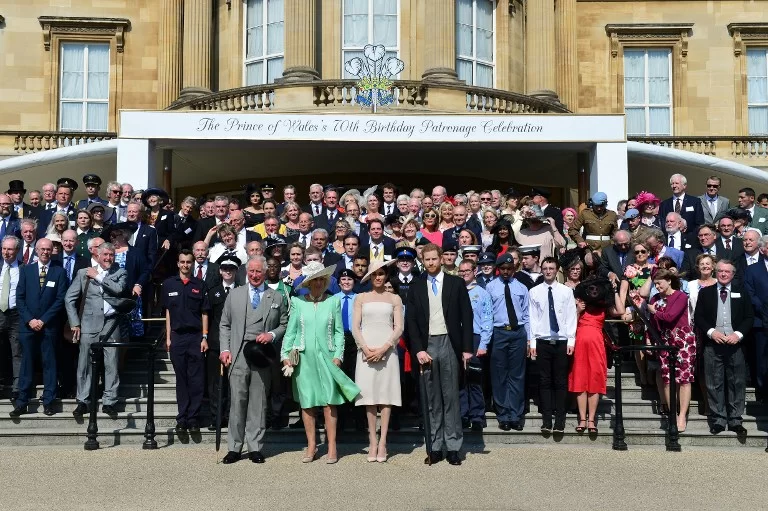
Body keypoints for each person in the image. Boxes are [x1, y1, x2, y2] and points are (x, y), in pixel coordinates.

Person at [281, 262, 360, 464]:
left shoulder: (333, 301)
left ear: (325, 282)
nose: (317, 283)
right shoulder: (298, 302)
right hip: (304, 359)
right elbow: (290, 332)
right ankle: (311, 445)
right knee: (307, 403)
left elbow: (339, 333)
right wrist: (285, 356)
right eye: (313, 280)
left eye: (320, 280)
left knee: (329, 402)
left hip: (328, 357)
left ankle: (332, 446)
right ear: (307, 283)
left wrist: (338, 356)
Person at [405, 243, 473, 466]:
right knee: (431, 398)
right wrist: (418, 350)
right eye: (427, 260)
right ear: (422, 262)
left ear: (442, 259)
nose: (431, 263)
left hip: (449, 343)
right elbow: (411, 322)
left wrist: (466, 349)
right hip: (427, 345)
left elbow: (466, 316)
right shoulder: (415, 286)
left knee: (451, 396)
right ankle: (434, 446)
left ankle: (453, 446)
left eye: (435, 259)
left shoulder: (456, 283)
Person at [219, 256, 289, 464]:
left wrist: (272, 335)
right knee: (237, 402)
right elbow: (224, 325)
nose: (255, 275)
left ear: (266, 272)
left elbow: (285, 323)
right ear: (246, 272)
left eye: (259, 272)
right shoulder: (235, 295)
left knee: (258, 403)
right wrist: (225, 349)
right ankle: (234, 447)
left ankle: (255, 447)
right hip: (239, 354)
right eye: (252, 272)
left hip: (262, 355)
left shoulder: (276, 297)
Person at [65, 242, 129, 418]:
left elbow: (118, 289)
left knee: (112, 363)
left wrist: (99, 277)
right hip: (88, 323)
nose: (108, 258)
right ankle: (83, 401)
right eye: (105, 255)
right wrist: (74, 323)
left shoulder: (120, 272)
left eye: (111, 255)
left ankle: (110, 401)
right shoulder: (83, 274)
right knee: (84, 363)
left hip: (111, 323)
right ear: (98, 255)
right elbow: (69, 299)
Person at [694, 259, 754, 435]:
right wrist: (712, 332)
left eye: (727, 271)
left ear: (733, 274)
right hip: (713, 344)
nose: (723, 274)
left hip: (736, 345)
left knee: (737, 383)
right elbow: (699, 317)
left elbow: (749, 317)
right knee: (714, 383)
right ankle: (718, 419)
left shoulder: (742, 292)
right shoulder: (706, 293)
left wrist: (739, 335)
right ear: (715, 272)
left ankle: (735, 420)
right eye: (720, 271)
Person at [352, 259, 403, 463]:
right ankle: (372, 441)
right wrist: (365, 348)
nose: (378, 277)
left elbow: (398, 327)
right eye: (374, 274)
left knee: (386, 396)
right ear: (370, 277)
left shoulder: (395, 298)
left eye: (381, 273)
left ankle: (383, 442)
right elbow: (356, 326)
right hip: (365, 351)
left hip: (387, 351)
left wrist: (384, 348)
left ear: (386, 276)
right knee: (369, 397)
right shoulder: (361, 297)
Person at [633, 268, 696, 432]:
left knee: (684, 379)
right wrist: (650, 338)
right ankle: (672, 414)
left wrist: (655, 311)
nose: (657, 286)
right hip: (663, 340)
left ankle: (682, 415)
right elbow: (651, 322)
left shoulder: (680, 296)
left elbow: (670, 316)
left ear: (669, 281)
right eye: (655, 283)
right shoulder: (654, 298)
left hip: (682, 340)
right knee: (667, 379)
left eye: (659, 283)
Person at [11, 239, 68, 417]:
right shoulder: (26, 270)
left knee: (49, 364)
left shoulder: (59, 272)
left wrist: (43, 320)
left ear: (53, 251)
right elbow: (19, 298)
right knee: (26, 363)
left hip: (49, 326)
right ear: (36, 250)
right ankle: (22, 401)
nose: (45, 252)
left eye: (48, 249)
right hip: (28, 327)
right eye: (42, 249)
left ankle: (49, 401)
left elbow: (60, 300)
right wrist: (30, 320)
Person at [568, 277, 626, 434]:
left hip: (596, 345)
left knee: (594, 379)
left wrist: (613, 291)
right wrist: (578, 310)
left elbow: (620, 311)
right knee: (580, 380)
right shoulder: (580, 304)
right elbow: (569, 324)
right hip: (579, 343)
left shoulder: (603, 307)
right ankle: (582, 419)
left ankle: (592, 419)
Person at [162, 249, 210, 433]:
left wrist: (205, 337)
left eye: (188, 262)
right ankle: (182, 417)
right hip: (177, 337)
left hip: (196, 337)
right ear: (177, 263)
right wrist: (168, 338)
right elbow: (167, 313)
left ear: (192, 264)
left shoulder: (200, 284)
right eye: (182, 262)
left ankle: (193, 417)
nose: (185, 265)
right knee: (181, 379)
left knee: (196, 379)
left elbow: (204, 312)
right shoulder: (168, 285)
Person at [529, 257, 577, 433]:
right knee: (544, 381)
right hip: (542, 340)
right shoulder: (534, 292)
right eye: (545, 268)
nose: (548, 271)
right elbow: (532, 318)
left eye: (551, 268)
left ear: (557, 270)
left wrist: (571, 339)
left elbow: (571, 316)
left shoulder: (566, 291)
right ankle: (547, 420)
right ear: (541, 270)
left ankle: (560, 421)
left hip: (561, 341)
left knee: (560, 381)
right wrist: (532, 342)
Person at [485, 252, 530, 431]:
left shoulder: (521, 288)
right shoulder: (491, 287)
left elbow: (526, 315)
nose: (506, 272)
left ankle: (516, 415)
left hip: (518, 332)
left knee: (517, 375)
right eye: (502, 269)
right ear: (498, 269)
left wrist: (528, 340)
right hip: (499, 332)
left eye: (509, 269)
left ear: (514, 269)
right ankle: (503, 414)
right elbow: (488, 315)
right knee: (499, 375)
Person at [457, 259, 492, 432]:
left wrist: (483, 343)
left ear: (474, 271)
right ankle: (463, 414)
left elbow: (487, 320)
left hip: (476, 337)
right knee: (460, 380)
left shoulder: (482, 293)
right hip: (458, 338)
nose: (464, 274)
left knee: (475, 379)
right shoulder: (455, 291)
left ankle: (477, 416)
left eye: (467, 271)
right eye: (461, 271)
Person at [745, 238, 768, 402]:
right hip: (761, 322)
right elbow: (750, 293)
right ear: (762, 250)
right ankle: (762, 392)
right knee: (762, 359)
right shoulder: (752, 270)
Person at [0, 236, 21, 400]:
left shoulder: (24, 269)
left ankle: (17, 388)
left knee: (17, 352)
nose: (6, 253)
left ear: (17, 251)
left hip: (16, 315)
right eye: (4, 249)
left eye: (10, 249)